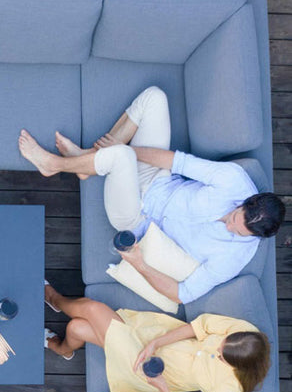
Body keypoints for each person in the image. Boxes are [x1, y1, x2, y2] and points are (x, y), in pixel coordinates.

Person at [19, 87, 285, 304]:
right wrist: (128, 151)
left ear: (254, 238)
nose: (228, 225)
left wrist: (140, 264)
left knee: (121, 155)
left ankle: (56, 165)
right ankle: (88, 163)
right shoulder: (235, 181)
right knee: (154, 98)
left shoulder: (236, 257)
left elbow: (183, 295)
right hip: (157, 181)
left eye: (236, 231)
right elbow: (176, 162)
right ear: (246, 202)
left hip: (138, 220)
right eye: (234, 217)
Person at [43, 281, 270, 392]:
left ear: (236, 366)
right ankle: (63, 349)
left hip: (147, 370)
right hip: (154, 337)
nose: (217, 349)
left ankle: (55, 299)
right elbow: (197, 327)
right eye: (221, 344)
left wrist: (162, 388)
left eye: (221, 356)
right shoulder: (244, 332)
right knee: (77, 328)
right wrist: (156, 343)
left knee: (93, 308)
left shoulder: (231, 386)